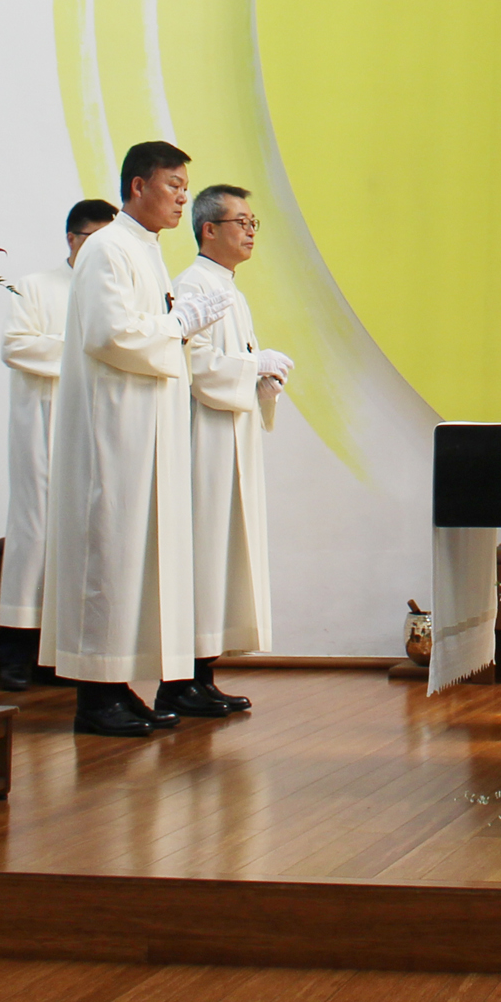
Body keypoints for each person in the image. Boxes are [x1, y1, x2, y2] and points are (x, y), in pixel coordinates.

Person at [42, 140, 231, 737]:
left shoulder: (144, 250)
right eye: (173, 185)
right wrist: (179, 323)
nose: (181, 197)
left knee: (134, 558)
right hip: (113, 429)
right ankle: (95, 697)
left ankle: (118, 684)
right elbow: (109, 334)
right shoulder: (107, 247)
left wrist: (180, 327)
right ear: (137, 187)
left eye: (184, 187)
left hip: (146, 427)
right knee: (109, 551)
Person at [166, 183, 294, 719]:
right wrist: (250, 366)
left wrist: (261, 381)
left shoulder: (230, 290)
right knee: (202, 556)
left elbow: (230, 362)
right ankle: (180, 681)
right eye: (241, 222)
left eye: (253, 222)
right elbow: (191, 364)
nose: (250, 232)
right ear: (209, 229)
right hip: (204, 441)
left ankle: (203, 674)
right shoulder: (192, 284)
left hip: (232, 437)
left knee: (222, 556)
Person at [0, 195, 117, 692]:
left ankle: (63, 653)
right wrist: (85, 351)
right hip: (43, 423)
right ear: (72, 238)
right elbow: (17, 345)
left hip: (95, 423)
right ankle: (16, 650)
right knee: (35, 528)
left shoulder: (114, 291)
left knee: (86, 534)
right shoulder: (36, 286)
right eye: (94, 240)